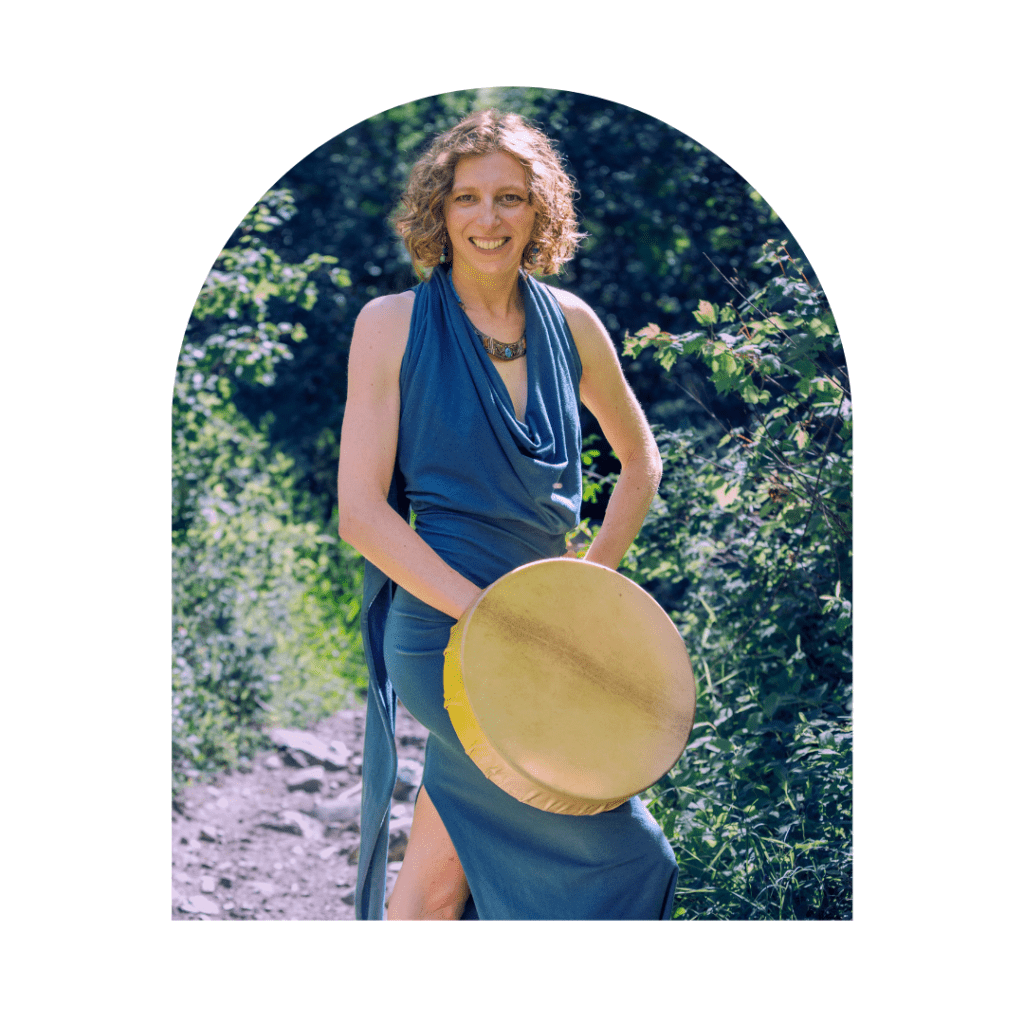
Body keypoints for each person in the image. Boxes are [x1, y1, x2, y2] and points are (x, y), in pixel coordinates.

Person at [337, 109, 677, 921]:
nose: (488, 219)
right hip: (443, 632)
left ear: (541, 212)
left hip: (549, 639)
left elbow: (642, 464)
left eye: (511, 198)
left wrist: (586, 595)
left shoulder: (574, 324)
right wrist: (493, 619)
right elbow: (359, 514)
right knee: (632, 860)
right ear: (438, 212)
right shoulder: (389, 326)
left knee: (434, 883)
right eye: (467, 198)